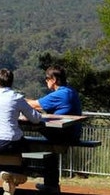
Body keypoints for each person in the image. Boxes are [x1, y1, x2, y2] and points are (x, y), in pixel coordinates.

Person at [0, 69, 43, 195]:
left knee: (2, 148)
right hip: (7, 142)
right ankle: (15, 174)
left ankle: (6, 174)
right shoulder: (17, 98)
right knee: (23, 145)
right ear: (12, 82)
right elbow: (34, 118)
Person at [26, 64, 83, 195]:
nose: (46, 81)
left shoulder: (61, 94)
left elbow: (35, 104)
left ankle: (15, 171)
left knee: (22, 134)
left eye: (47, 79)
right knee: (48, 147)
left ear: (54, 79)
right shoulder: (69, 91)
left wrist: (15, 100)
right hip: (70, 132)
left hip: (65, 134)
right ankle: (51, 185)